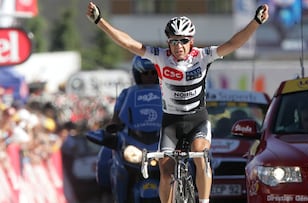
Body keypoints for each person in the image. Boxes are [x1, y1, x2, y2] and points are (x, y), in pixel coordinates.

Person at [86, 3, 269, 203]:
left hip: (197, 119)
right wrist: (99, 21)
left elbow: (234, 43)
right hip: (171, 122)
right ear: (168, 42)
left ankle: (204, 201)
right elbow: (129, 43)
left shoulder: (202, 56)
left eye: (183, 41)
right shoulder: (160, 57)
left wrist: (256, 22)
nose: (178, 46)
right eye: (173, 41)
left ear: (191, 41)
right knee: (165, 171)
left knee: (200, 154)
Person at [103, 55, 159, 148]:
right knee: (107, 150)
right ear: (137, 74)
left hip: (162, 137)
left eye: (153, 73)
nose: (150, 76)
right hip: (132, 138)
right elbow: (117, 114)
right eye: (145, 73)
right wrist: (114, 124)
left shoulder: (166, 92)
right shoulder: (126, 93)